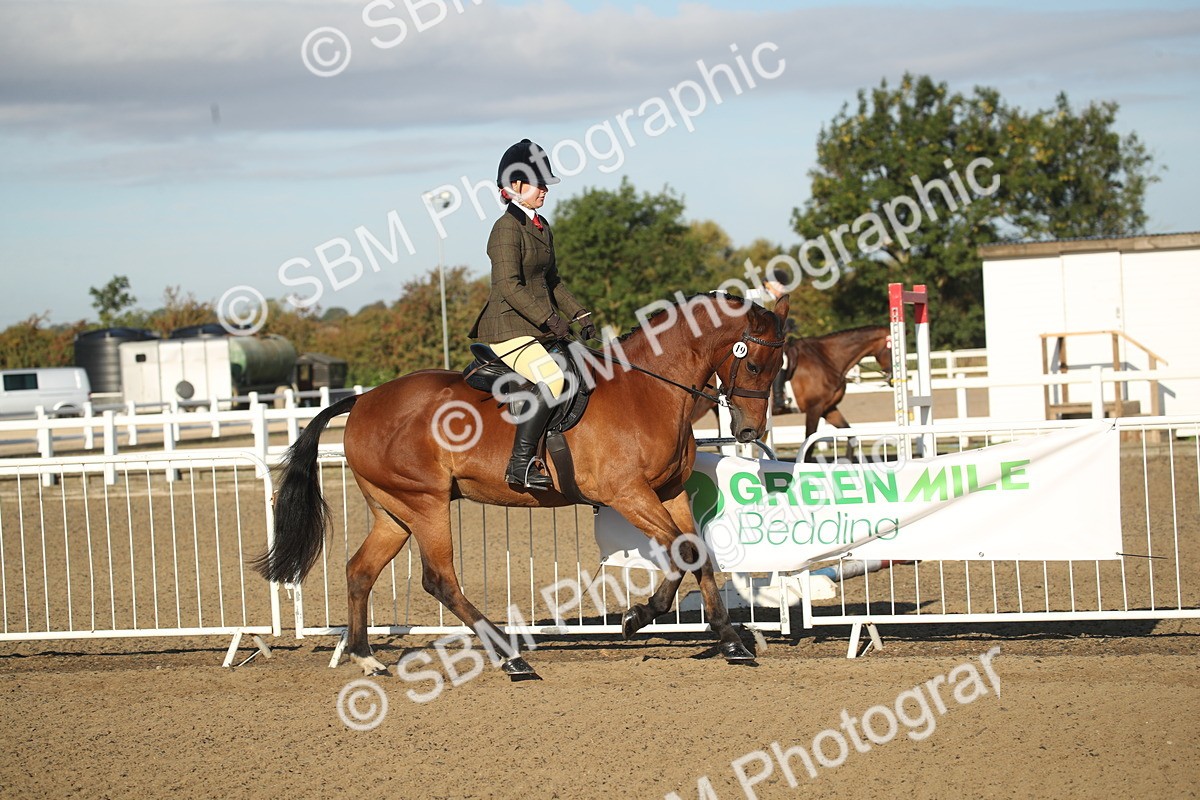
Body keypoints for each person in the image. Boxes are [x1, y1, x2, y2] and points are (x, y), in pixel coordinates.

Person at [468, 139, 597, 491]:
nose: (544, 190)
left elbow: (551, 280)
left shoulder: (541, 226)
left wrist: (580, 314)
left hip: (537, 327)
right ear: (516, 187)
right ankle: (520, 464)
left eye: (544, 184)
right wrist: (549, 319)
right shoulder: (505, 229)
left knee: (589, 367)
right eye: (539, 184)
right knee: (553, 379)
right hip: (507, 329)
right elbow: (509, 286)